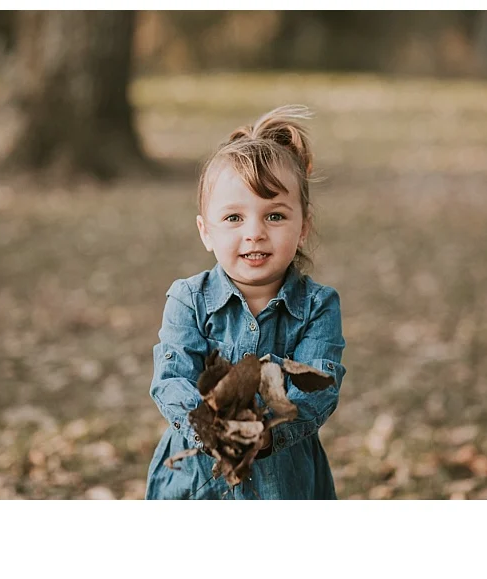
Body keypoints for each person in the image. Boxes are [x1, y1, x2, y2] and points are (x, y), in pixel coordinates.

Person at [145, 105, 346, 499]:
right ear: (206, 231)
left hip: (284, 483)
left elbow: (319, 387)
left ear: (303, 227)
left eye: (274, 217)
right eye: (234, 218)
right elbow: (172, 381)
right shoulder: (188, 301)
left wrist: (264, 434)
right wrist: (212, 429)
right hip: (198, 482)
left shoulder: (318, 306)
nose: (254, 233)